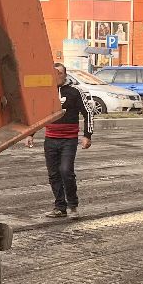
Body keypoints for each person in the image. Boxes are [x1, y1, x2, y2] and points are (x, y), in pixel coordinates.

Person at [26, 62, 93, 219]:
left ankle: (73, 206)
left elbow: (88, 113)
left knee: (66, 171)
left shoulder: (75, 92)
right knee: (54, 174)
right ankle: (59, 207)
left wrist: (87, 135)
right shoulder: (46, 93)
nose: (57, 76)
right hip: (50, 139)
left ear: (65, 75)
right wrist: (30, 134)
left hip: (68, 140)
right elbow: (39, 116)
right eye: (54, 73)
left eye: (60, 73)